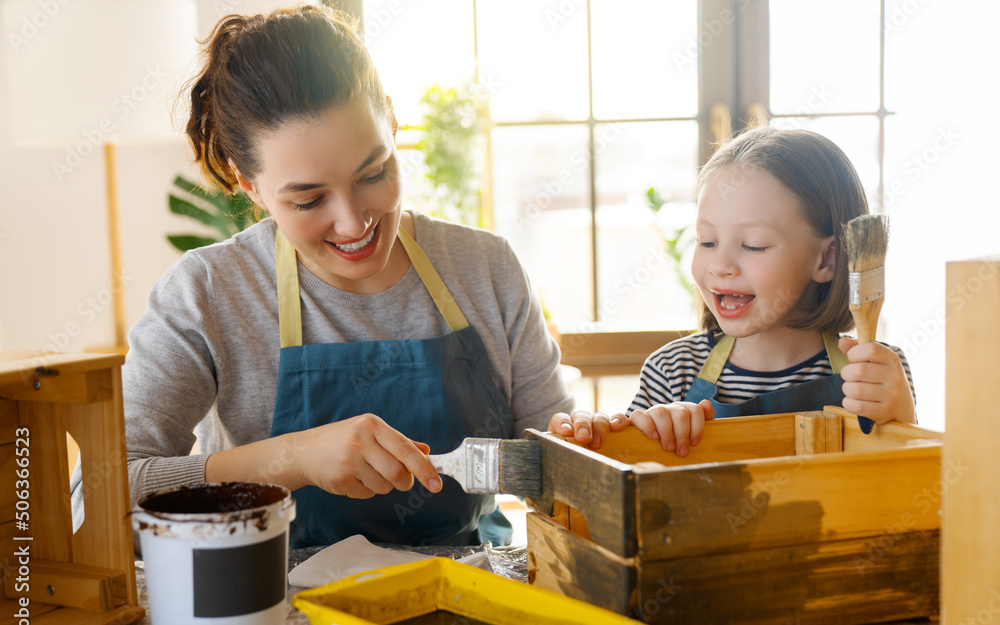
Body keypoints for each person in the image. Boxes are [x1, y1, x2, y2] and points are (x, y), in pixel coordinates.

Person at [72, 5, 573, 549]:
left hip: (471, 590)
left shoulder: (486, 269)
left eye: (374, 173)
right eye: (309, 199)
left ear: (392, 121)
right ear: (251, 187)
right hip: (271, 611)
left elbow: (560, 471)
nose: (354, 222)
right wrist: (292, 459)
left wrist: (620, 446)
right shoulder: (207, 293)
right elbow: (98, 496)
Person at [552, 126, 915, 455]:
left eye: (753, 245)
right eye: (707, 241)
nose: (719, 265)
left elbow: (915, 492)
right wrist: (607, 438)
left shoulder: (876, 371)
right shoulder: (673, 371)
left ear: (827, 260)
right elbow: (618, 484)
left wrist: (903, 418)